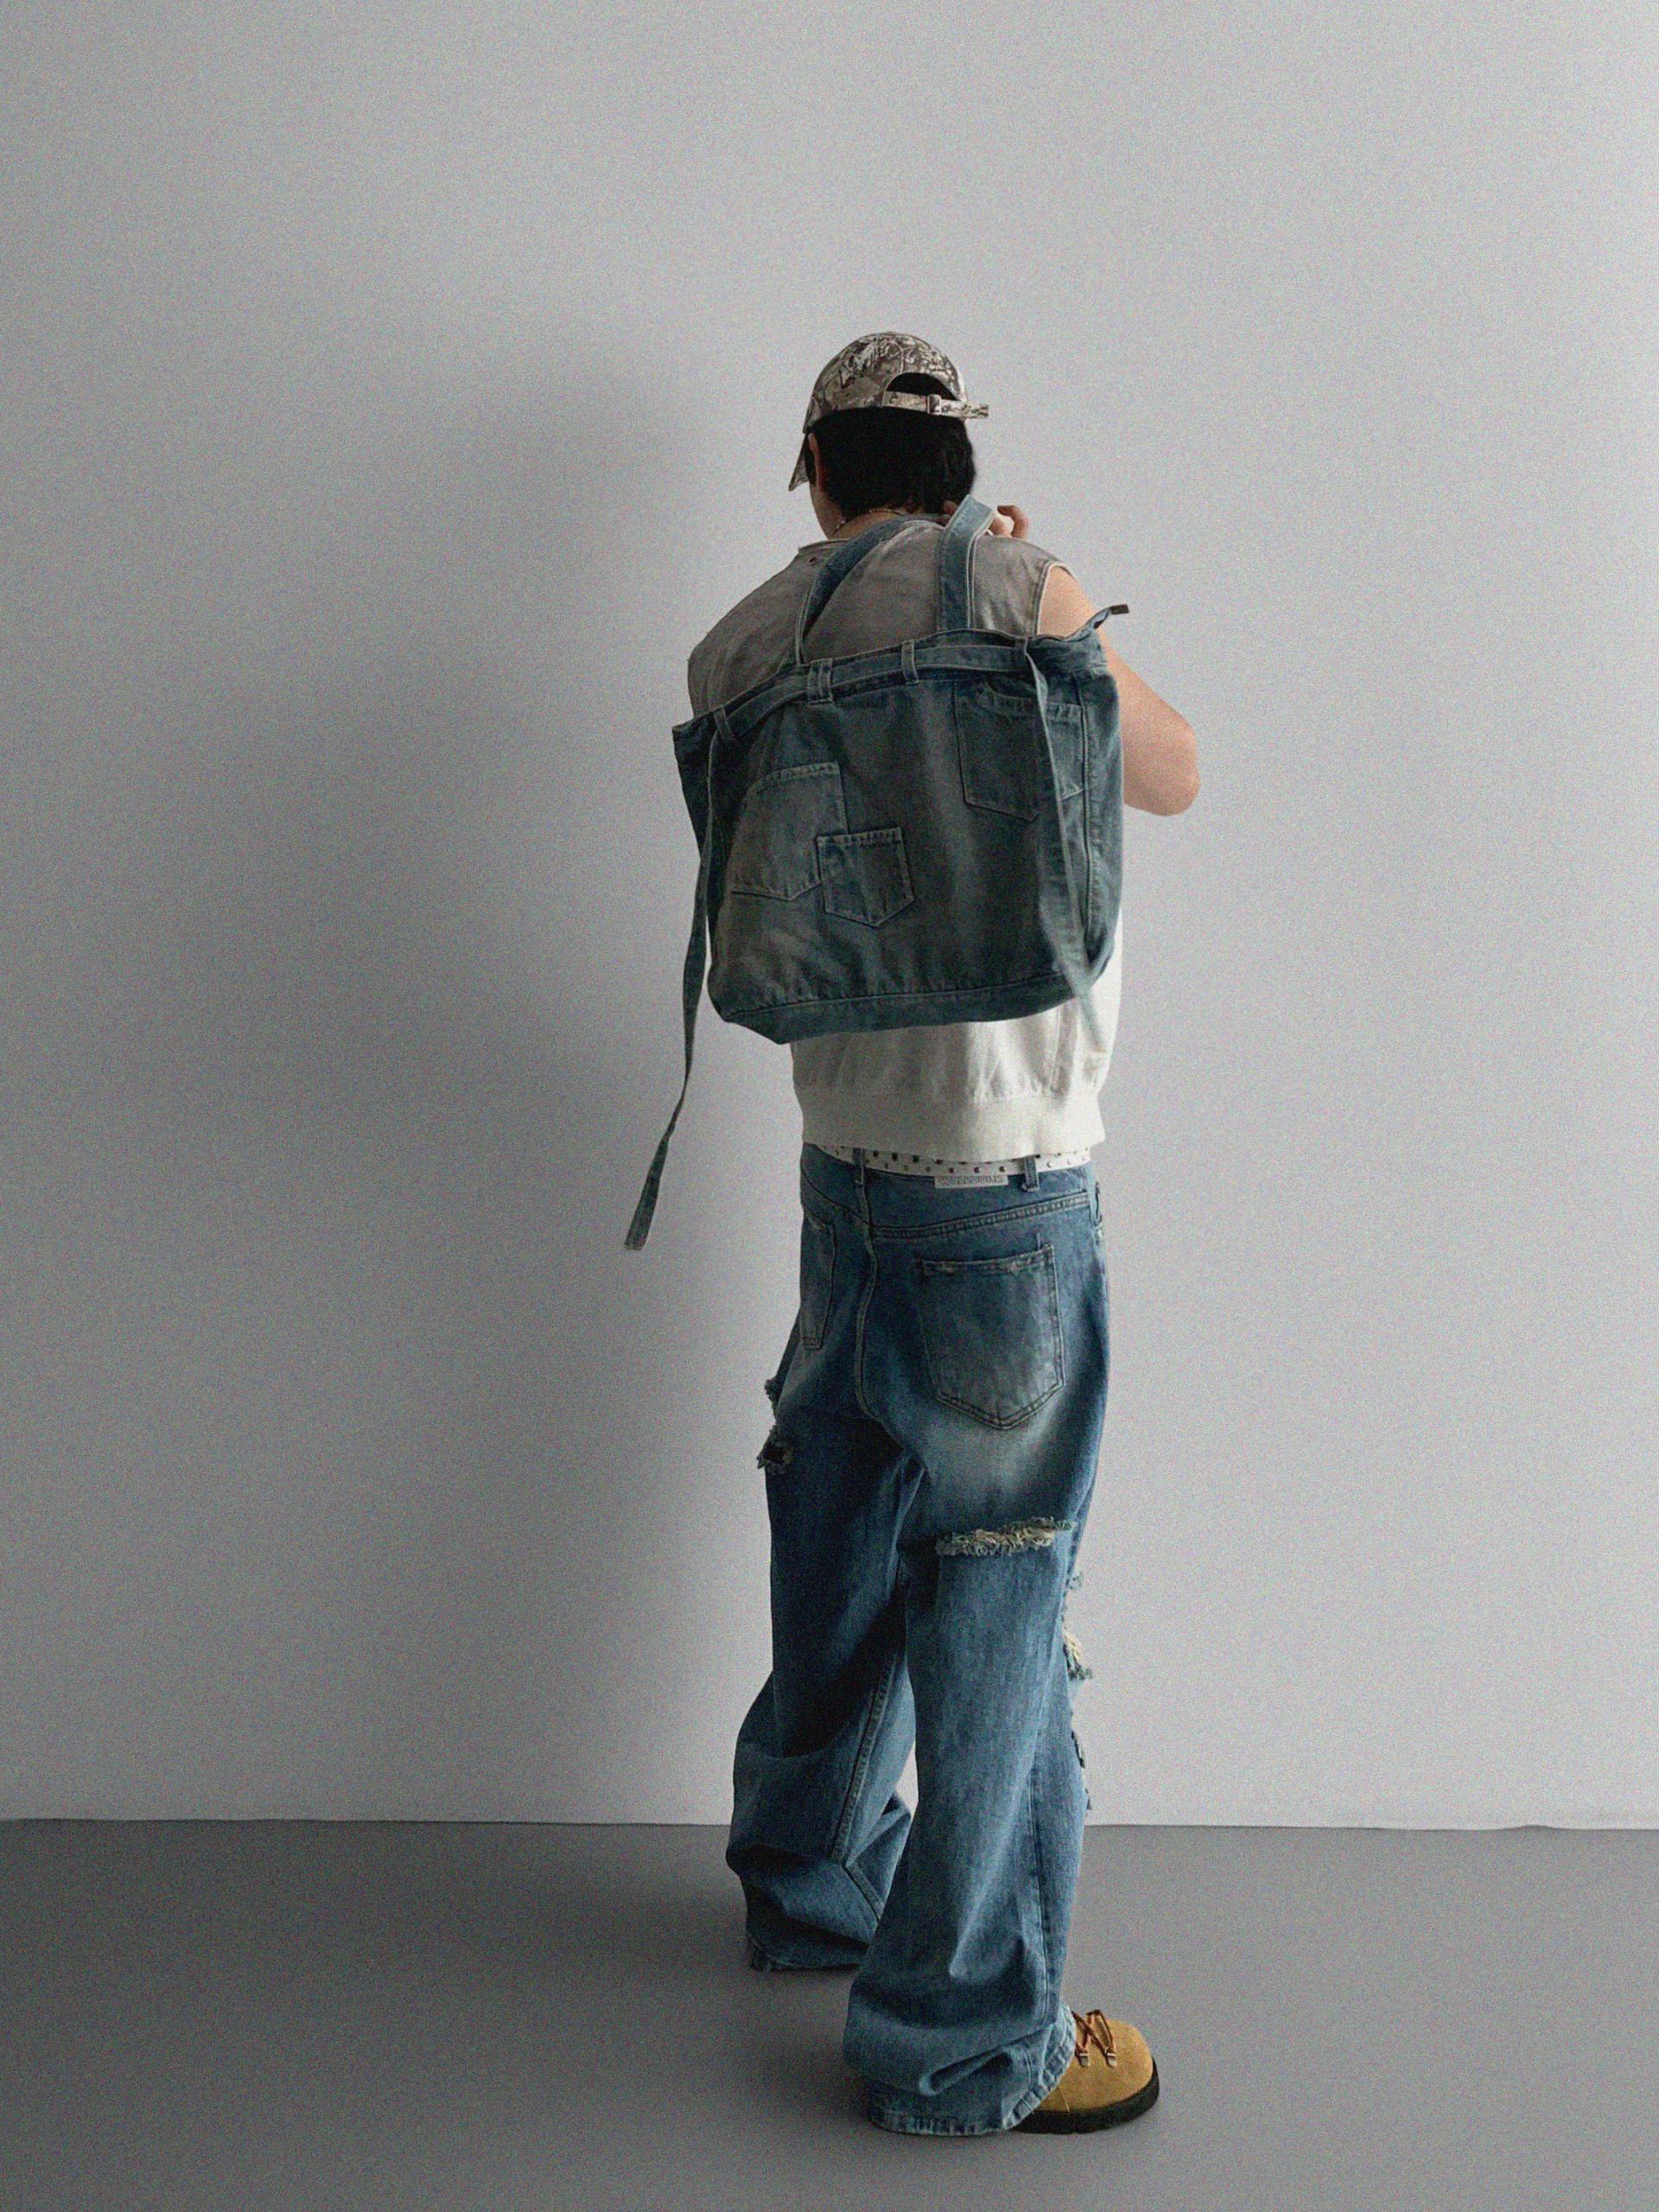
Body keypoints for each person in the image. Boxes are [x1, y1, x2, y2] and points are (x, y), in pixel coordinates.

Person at [683, 332, 1199, 2139]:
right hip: (1008, 1192)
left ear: (814, 468)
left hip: (843, 1172)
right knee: (996, 1592)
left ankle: (812, 1877)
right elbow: (1175, 772)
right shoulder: (1023, 590)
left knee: (835, 1536)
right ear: (962, 468)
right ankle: (967, 2036)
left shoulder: (747, 640)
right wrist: (1048, 602)